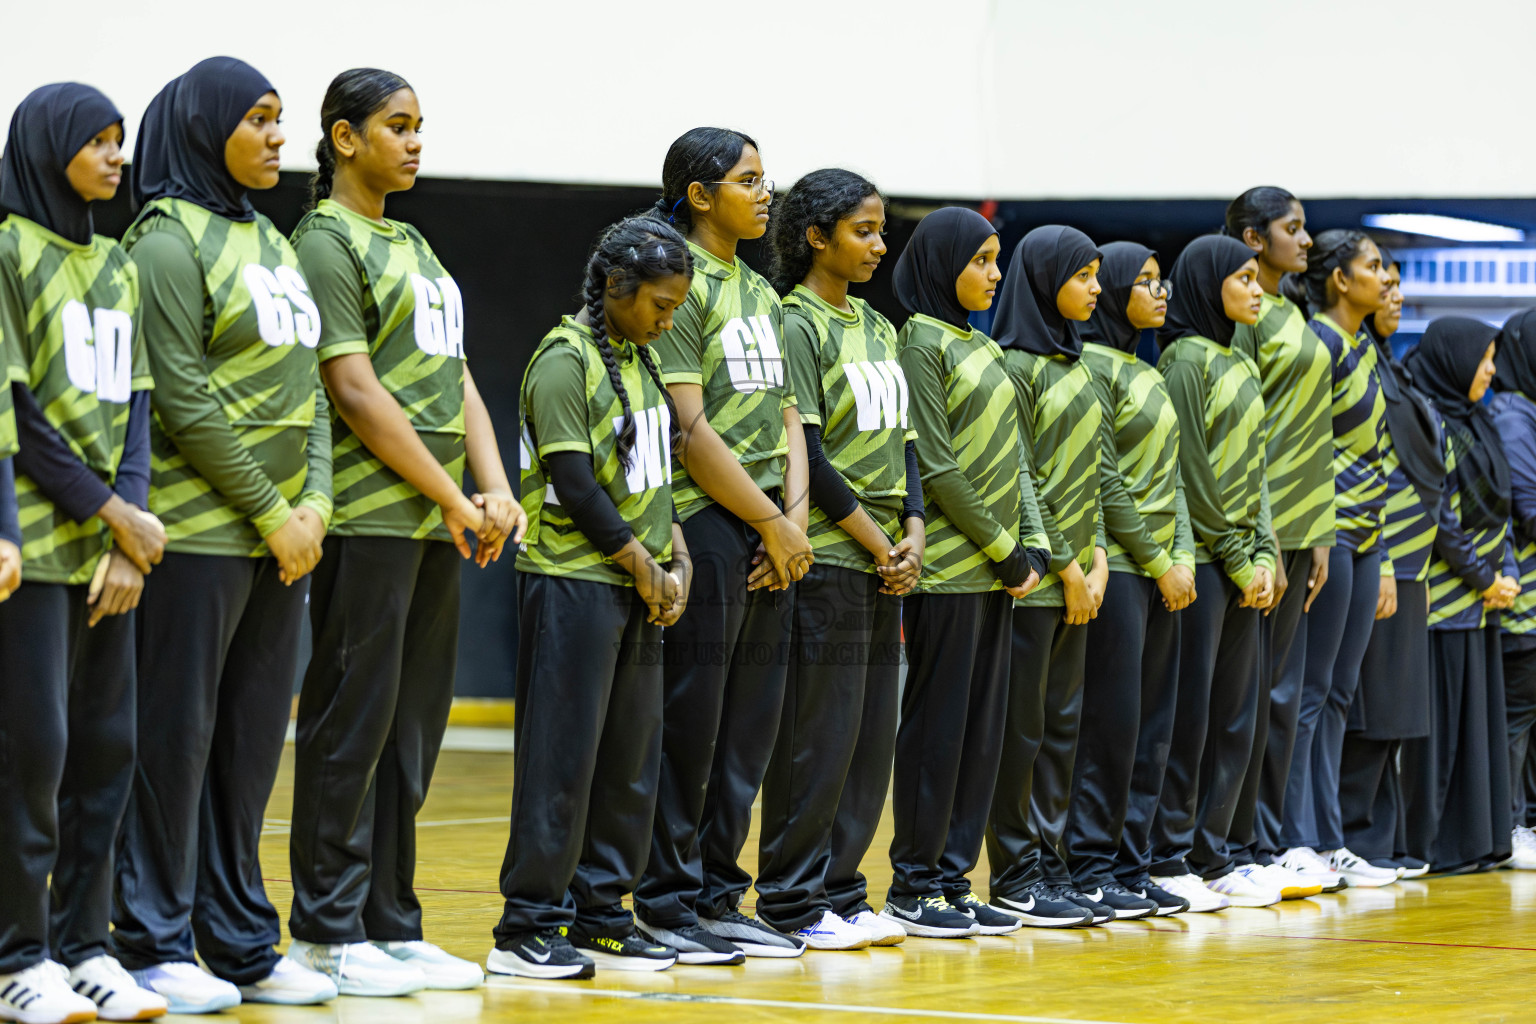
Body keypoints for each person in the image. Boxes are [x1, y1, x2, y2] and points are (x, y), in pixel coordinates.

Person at [284, 68, 522, 994]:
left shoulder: (415, 243)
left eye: (420, 125)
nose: (415, 141)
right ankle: (326, 930)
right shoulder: (324, 240)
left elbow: (456, 378)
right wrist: (454, 497)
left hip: (431, 524)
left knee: (410, 731)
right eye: (396, 125)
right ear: (345, 138)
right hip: (367, 519)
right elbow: (352, 389)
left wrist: (492, 487)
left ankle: (391, 921)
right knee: (352, 724)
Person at [110, 57, 338, 1013]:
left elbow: (311, 390)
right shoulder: (164, 239)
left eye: (281, 118)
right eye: (258, 119)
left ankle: (240, 940)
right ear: (207, 128)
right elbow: (181, 395)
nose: (279, 137)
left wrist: (315, 506)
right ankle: (151, 940)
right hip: (200, 540)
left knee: (246, 751)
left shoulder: (274, 240)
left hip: (283, 543)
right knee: (173, 744)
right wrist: (272, 512)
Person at [0, 81, 170, 1024]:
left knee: (107, 755)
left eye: (121, 140)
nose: (116, 157)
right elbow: (18, 413)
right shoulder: (8, 250)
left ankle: (85, 946)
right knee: (35, 755)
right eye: (97, 142)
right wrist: (112, 513)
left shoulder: (118, 264)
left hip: (111, 555)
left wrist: (130, 533)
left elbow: (138, 405)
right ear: (47, 147)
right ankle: (17, 956)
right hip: (36, 551)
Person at [490, 217, 693, 978]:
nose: (667, 320)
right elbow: (575, 485)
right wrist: (642, 565)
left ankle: (601, 916)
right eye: (659, 305)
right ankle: (527, 925)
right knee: (562, 761)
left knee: (630, 763)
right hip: (573, 582)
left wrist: (677, 561)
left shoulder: (643, 360)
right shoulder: (562, 359)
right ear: (614, 285)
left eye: (676, 308)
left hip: (638, 584)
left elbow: (658, 481)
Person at [632, 128, 811, 962]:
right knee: (693, 723)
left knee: (748, 729)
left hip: (772, 526)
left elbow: (790, 419)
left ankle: (717, 894)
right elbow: (687, 427)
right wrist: (770, 521)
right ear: (700, 195)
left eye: (766, 179)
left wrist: (792, 521)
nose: (765, 193)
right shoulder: (681, 279)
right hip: (707, 518)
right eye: (748, 180)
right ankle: (665, 901)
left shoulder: (764, 293)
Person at [752, 169, 921, 950]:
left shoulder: (880, 327)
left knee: (867, 740)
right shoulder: (795, 323)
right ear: (816, 237)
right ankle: (792, 900)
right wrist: (879, 543)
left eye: (882, 230)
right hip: (831, 561)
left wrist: (913, 529)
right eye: (863, 231)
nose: (879, 245)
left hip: (886, 561)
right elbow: (809, 456)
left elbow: (908, 445)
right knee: (816, 739)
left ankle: (843, 892)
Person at [881, 207, 1048, 938]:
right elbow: (937, 464)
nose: (994, 273)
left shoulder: (981, 345)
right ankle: (913, 885)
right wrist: (1005, 551)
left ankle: (952, 879)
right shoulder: (919, 339)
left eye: (996, 259)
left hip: (997, 573)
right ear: (942, 264)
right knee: (938, 732)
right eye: (980, 260)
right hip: (950, 572)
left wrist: (1033, 545)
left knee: (982, 736)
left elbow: (1017, 459)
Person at [987, 226, 1128, 927]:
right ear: (1044, 281)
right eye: (1082, 276)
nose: (1096, 289)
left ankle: (1051, 865)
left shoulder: (1079, 367)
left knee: (1063, 729)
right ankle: (1015, 874)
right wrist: (1068, 565)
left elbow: (1091, 475)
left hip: (1081, 577)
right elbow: (1022, 479)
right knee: (1023, 732)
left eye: (1098, 275)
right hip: (1035, 581)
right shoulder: (1015, 367)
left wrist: (1097, 558)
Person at [1066, 242, 1205, 916]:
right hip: (1121, 569)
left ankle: (1132, 861)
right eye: (1144, 282)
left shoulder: (1145, 368)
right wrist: (1156, 560)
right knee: (1112, 727)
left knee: (1153, 729)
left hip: (1163, 573)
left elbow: (1173, 477)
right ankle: (1091, 862)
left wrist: (1183, 558)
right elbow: (1104, 478)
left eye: (1162, 281)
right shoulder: (1091, 365)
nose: (1160, 292)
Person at [1150, 235, 1280, 909]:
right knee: (1191, 715)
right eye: (1244, 279)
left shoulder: (1242, 359)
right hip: (1202, 562)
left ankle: (1215, 853)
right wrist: (1234, 555)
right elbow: (1190, 470)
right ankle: (1170, 855)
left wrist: (1266, 553)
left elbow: (1257, 470)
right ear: (1208, 283)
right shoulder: (1183, 360)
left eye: (1258, 279)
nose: (1257, 290)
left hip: (1243, 564)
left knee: (1236, 716)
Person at [1224, 188, 1340, 895]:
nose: (1306, 240)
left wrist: (1319, 532)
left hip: (1304, 523)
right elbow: (1248, 430)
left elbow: (1313, 428)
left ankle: (1273, 836)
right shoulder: (1245, 316)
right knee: (1255, 692)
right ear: (1253, 237)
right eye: (1292, 228)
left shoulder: (1292, 309)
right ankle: (1246, 842)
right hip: (1262, 528)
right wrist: (1264, 535)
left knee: (1286, 692)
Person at [1275, 231, 1398, 888]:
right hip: (1331, 532)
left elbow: (1381, 452)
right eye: (1373, 267)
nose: (1386, 278)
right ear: (1341, 280)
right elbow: (1301, 443)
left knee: (1340, 693)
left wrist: (1390, 553)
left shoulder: (1363, 345)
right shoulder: (1317, 341)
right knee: (1310, 692)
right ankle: (1296, 838)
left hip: (1368, 535)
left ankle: (1330, 839)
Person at [1338, 252, 1443, 877]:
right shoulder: (1353, 362)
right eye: (1385, 281)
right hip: (1379, 555)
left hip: (1408, 563)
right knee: (1368, 707)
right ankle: (1356, 838)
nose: (1394, 293)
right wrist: (1381, 555)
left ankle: (1381, 836)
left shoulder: (1388, 365)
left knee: (1394, 709)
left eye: (1399, 284)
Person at [1401, 317, 1518, 872]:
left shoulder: (1481, 419)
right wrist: (1482, 577)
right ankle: (1436, 847)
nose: (1490, 370)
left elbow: (1503, 505)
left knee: (1477, 731)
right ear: (1455, 360)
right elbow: (1440, 517)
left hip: (1483, 603)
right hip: (1445, 604)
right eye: (1483, 358)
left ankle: (1477, 843)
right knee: (1443, 735)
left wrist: (1504, 573)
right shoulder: (1432, 419)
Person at [1490, 307, 1536, 869]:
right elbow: (1529, 508)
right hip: (1520, 599)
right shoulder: (1512, 415)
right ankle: (1510, 825)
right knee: (1517, 716)